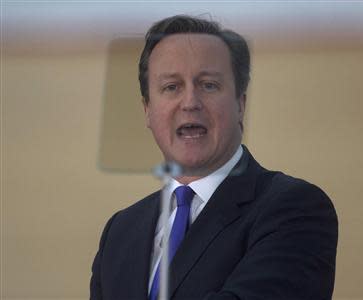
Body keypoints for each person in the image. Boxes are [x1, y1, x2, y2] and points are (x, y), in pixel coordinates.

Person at [90, 15, 338, 300]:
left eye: (208, 85)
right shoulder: (120, 232)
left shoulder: (294, 209)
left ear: (240, 104)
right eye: (171, 87)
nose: (190, 102)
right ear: (147, 109)